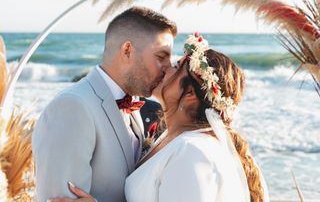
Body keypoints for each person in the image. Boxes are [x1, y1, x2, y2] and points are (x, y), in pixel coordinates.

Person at [49, 33, 269, 202]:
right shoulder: (170, 139)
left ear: (190, 94)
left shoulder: (192, 151)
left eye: (175, 67)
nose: (164, 68)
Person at [32, 6, 177, 202]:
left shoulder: (133, 105)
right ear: (127, 51)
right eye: (161, 57)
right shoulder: (73, 107)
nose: (169, 67)